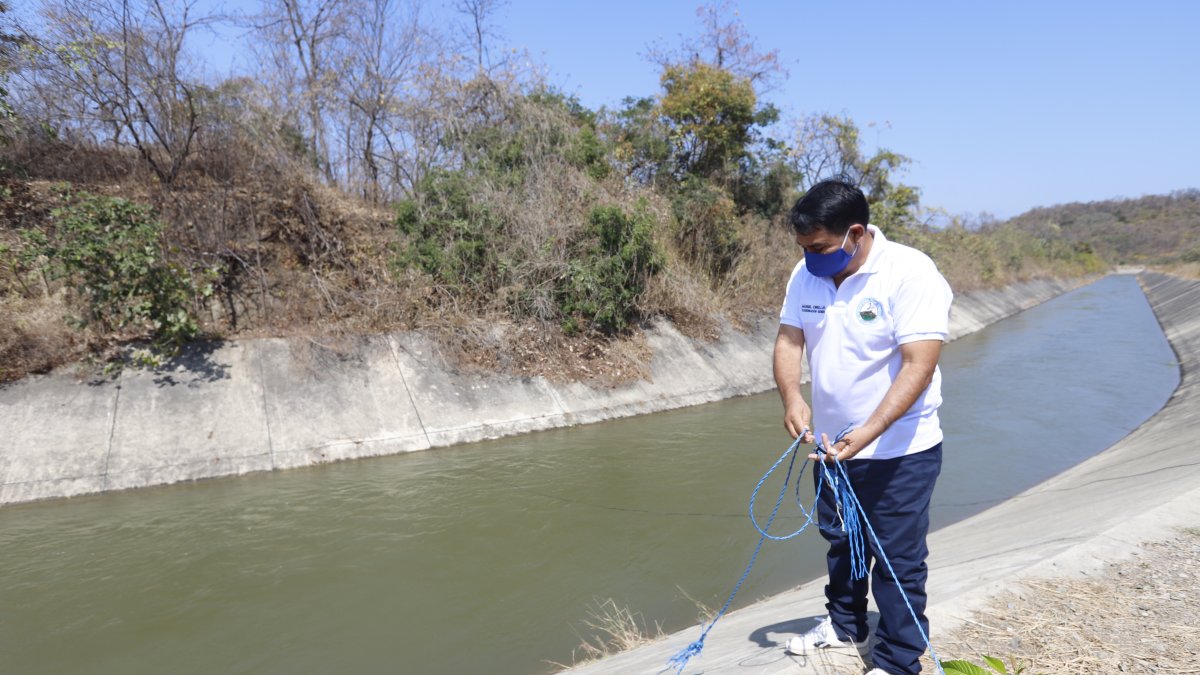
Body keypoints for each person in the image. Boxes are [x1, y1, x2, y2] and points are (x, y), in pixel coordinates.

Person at [772, 180, 953, 675]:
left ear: (855, 233)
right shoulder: (805, 273)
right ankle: (845, 624)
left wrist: (870, 431)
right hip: (833, 447)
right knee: (842, 540)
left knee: (897, 558)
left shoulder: (910, 273)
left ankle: (897, 662)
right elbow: (790, 341)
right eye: (804, 248)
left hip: (901, 448)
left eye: (820, 248)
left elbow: (919, 364)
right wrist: (793, 396)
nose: (811, 257)